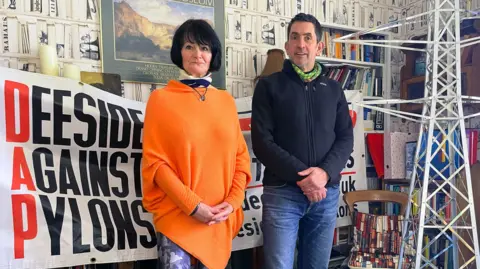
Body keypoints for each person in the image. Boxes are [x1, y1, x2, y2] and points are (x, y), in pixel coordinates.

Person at [142, 19, 252, 269]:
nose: (197, 54)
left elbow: (240, 160)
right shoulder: (160, 100)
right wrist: (193, 207)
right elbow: (156, 165)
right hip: (178, 219)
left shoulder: (226, 102)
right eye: (189, 46)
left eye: (204, 47)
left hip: (219, 220)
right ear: (178, 52)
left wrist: (232, 203)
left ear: (212, 54)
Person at [251, 13, 354, 269]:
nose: (301, 44)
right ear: (287, 45)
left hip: (325, 195)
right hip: (282, 195)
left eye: (308, 38)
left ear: (319, 46)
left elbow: (345, 138)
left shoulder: (334, 90)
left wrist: (323, 174)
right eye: (295, 37)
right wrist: (306, 179)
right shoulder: (268, 87)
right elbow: (262, 142)